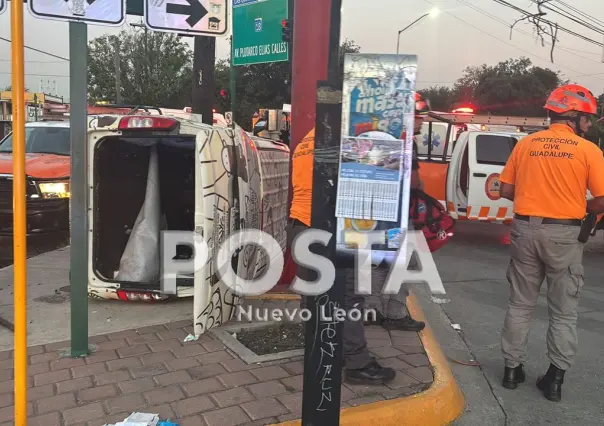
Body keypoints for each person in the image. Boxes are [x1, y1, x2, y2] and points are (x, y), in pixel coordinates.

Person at [498, 84, 604, 402]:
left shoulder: (526, 144)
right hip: (564, 235)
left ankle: (511, 371)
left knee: (520, 304)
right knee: (563, 312)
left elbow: (504, 190)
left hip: (524, 230)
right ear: (575, 117)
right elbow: (601, 200)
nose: (589, 124)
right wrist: (578, 205)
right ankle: (554, 379)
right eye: (587, 118)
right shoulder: (588, 151)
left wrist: (535, 198)